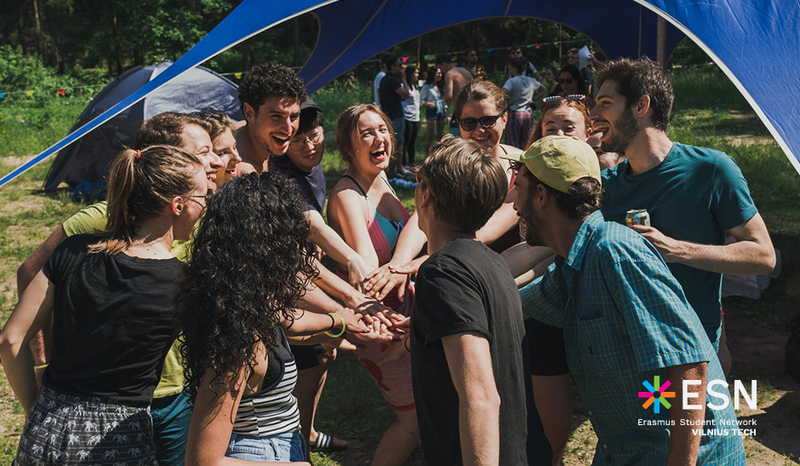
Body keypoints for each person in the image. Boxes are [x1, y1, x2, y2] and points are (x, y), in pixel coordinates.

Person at [508, 135, 746, 464]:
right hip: (625, 451)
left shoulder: (614, 252)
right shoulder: (572, 265)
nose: (514, 204)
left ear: (540, 195)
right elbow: (511, 308)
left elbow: (690, 367)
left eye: (518, 187)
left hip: (682, 456)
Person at [14, 112, 224, 466]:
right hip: (120, 439)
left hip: (46, 429)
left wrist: (36, 404)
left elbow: (9, 341)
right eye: (201, 199)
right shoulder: (183, 282)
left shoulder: (72, 250)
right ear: (177, 206)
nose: (203, 208)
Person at [180, 172, 377, 465]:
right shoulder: (241, 344)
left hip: (280, 443)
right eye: (291, 240)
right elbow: (203, 460)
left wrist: (341, 324)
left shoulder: (242, 301)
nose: (299, 252)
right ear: (267, 249)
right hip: (259, 454)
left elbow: (293, 325)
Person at [592, 57, 775, 369]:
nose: (593, 115)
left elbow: (763, 256)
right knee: (649, 420)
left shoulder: (711, 169)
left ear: (641, 105)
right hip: (628, 351)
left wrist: (675, 250)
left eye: (605, 103)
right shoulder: (603, 186)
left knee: (689, 420)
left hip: (693, 352)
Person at [409, 134, 528, 464]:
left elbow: (481, 397)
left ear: (427, 195)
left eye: (419, 183)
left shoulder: (442, 272)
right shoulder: (490, 261)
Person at [270, 98, 367, 453]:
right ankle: (295, 442)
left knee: (326, 353)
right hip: (288, 278)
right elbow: (312, 222)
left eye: (315, 135)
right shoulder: (281, 173)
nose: (310, 146)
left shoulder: (313, 167)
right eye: (299, 140)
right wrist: (352, 259)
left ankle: (306, 430)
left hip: (308, 267)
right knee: (311, 357)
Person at [327, 104, 421, 466]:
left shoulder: (382, 181)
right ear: (349, 148)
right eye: (366, 133)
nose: (379, 137)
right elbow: (367, 270)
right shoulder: (349, 195)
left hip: (406, 311)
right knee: (410, 422)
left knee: (424, 405)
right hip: (380, 322)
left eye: (382, 129)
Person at [515, 94, 593, 466]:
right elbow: (537, 253)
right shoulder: (534, 177)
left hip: (586, 312)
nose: (559, 133)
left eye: (569, 127)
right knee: (552, 421)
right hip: (546, 308)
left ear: (589, 132)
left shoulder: (608, 246)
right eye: (551, 127)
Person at [454, 80, 520, 254]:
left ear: (504, 119)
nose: (479, 130)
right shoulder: (450, 168)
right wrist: (398, 263)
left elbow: (499, 222)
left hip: (513, 268)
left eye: (488, 121)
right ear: (459, 124)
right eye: (469, 122)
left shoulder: (522, 166)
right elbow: (421, 217)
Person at [235, 61, 307, 174]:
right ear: (249, 113)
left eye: (294, 117)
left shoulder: (259, 138)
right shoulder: (234, 169)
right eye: (276, 116)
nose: (288, 129)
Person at [503, 58, 546, 149]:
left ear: (514, 68)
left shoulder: (512, 81)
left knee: (513, 142)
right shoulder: (530, 80)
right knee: (528, 141)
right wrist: (533, 99)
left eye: (510, 67)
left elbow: (503, 93)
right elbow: (543, 89)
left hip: (514, 112)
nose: (509, 70)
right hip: (527, 113)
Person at [379, 54, 411, 174]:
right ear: (392, 67)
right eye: (399, 65)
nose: (401, 68)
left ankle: (391, 169)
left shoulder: (383, 79)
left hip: (387, 114)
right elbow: (405, 94)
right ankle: (397, 168)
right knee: (398, 142)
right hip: (396, 115)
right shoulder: (393, 80)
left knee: (392, 142)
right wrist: (404, 79)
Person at [435, 54, 472, 136]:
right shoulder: (465, 71)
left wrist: (445, 106)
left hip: (459, 110)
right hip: (471, 107)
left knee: (457, 136)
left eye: (441, 69)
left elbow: (449, 95)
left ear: (443, 64)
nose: (442, 72)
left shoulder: (449, 74)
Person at [420, 67, 445, 155]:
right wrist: (428, 104)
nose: (440, 75)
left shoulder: (441, 86)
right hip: (432, 111)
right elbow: (421, 100)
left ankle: (440, 154)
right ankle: (427, 155)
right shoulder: (427, 87)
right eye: (438, 73)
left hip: (441, 110)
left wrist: (445, 107)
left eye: (441, 73)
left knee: (440, 135)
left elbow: (444, 99)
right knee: (430, 134)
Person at [401, 65, 421, 169]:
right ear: (409, 74)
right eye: (415, 73)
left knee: (412, 141)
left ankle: (412, 161)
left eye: (417, 73)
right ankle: (404, 163)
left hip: (416, 117)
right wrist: (404, 79)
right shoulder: (404, 86)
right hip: (407, 116)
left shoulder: (416, 86)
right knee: (406, 141)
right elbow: (405, 95)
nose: (417, 75)